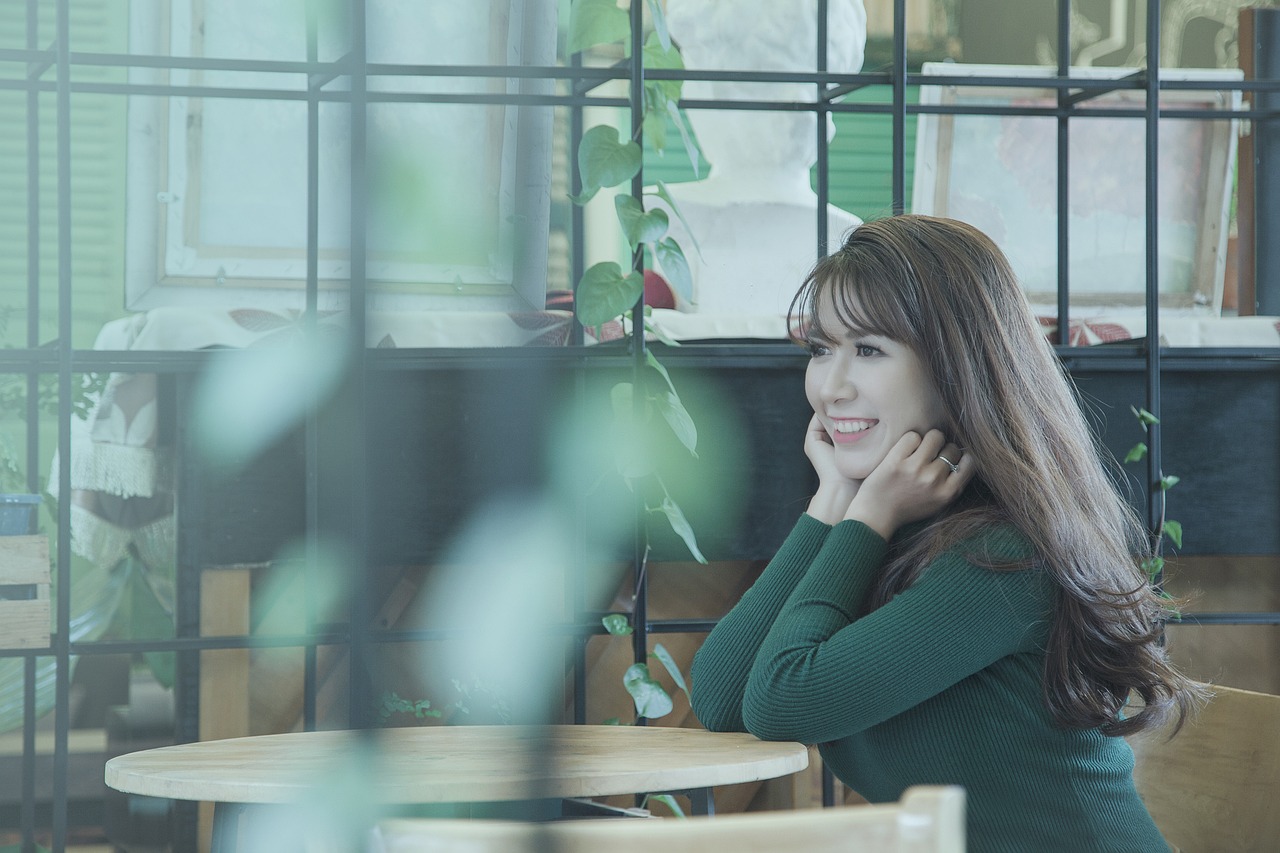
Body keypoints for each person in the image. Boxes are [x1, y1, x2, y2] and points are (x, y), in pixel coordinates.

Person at [689, 215, 1203, 852]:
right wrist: (835, 499)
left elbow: (782, 702)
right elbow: (722, 698)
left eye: (869, 350)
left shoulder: (1008, 555)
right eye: (822, 349)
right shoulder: (897, 526)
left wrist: (865, 516)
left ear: (956, 365)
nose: (830, 387)